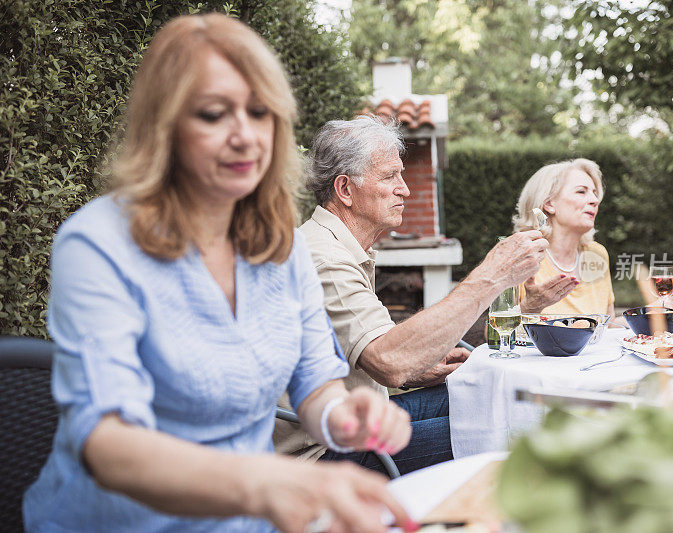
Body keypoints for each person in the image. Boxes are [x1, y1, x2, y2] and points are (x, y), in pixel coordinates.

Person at [23, 14, 416, 533]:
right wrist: (263, 483)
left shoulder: (281, 243)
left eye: (260, 112)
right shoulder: (98, 243)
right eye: (213, 114)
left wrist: (347, 418)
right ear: (163, 127)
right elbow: (108, 442)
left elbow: (316, 384)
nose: (245, 136)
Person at [274, 116, 548, 474]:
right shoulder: (324, 258)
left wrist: (415, 371)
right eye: (390, 177)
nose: (405, 190)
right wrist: (494, 274)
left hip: (356, 417)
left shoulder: (337, 246)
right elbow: (389, 360)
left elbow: (377, 359)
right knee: (508, 429)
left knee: (487, 398)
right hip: (323, 453)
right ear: (345, 190)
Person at [512, 158, 614, 317]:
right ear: (549, 204)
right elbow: (492, 333)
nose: (595, 200)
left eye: (594, 193)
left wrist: (652, 311)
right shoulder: (520, 255)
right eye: (581, 191)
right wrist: (529, 307)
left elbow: (609, 328)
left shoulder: (598, 254)